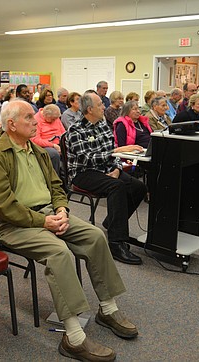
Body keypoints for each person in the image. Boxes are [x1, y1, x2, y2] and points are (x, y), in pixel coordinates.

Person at [0, 100, 138, 362]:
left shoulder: (37, 151)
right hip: (12, 224)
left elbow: (58, 186)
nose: (35, 121)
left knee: (95, 236)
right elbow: (3, 206)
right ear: (11, 124)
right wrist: (44, 221)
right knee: (59, 252)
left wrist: (61, 210)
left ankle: (107, 308)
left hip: (49, 213)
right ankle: (73, 338)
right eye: (29, 117)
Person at [66, 92, 146, 265]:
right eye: (100, 105)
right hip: (83, 173)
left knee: (139, 188)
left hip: (106, 169)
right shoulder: (75, 130)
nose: (104, 107)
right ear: (90, 109)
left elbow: (113, 149)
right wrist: (114, 153)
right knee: (116, 187)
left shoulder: (102, 125)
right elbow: (86, 158)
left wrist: (117, 168)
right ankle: (116, 243)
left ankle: (112, 221)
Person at [30, 104, 65, 173]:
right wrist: (53, 145)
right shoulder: (36, 120)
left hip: (59, 142)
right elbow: (36, 140)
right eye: (53, 119)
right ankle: (56, 179)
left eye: (56, 119)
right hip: (45, 146)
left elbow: (63, 132)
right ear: (45, 115)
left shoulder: (55, 117)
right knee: (54, 154)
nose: (54, 121)